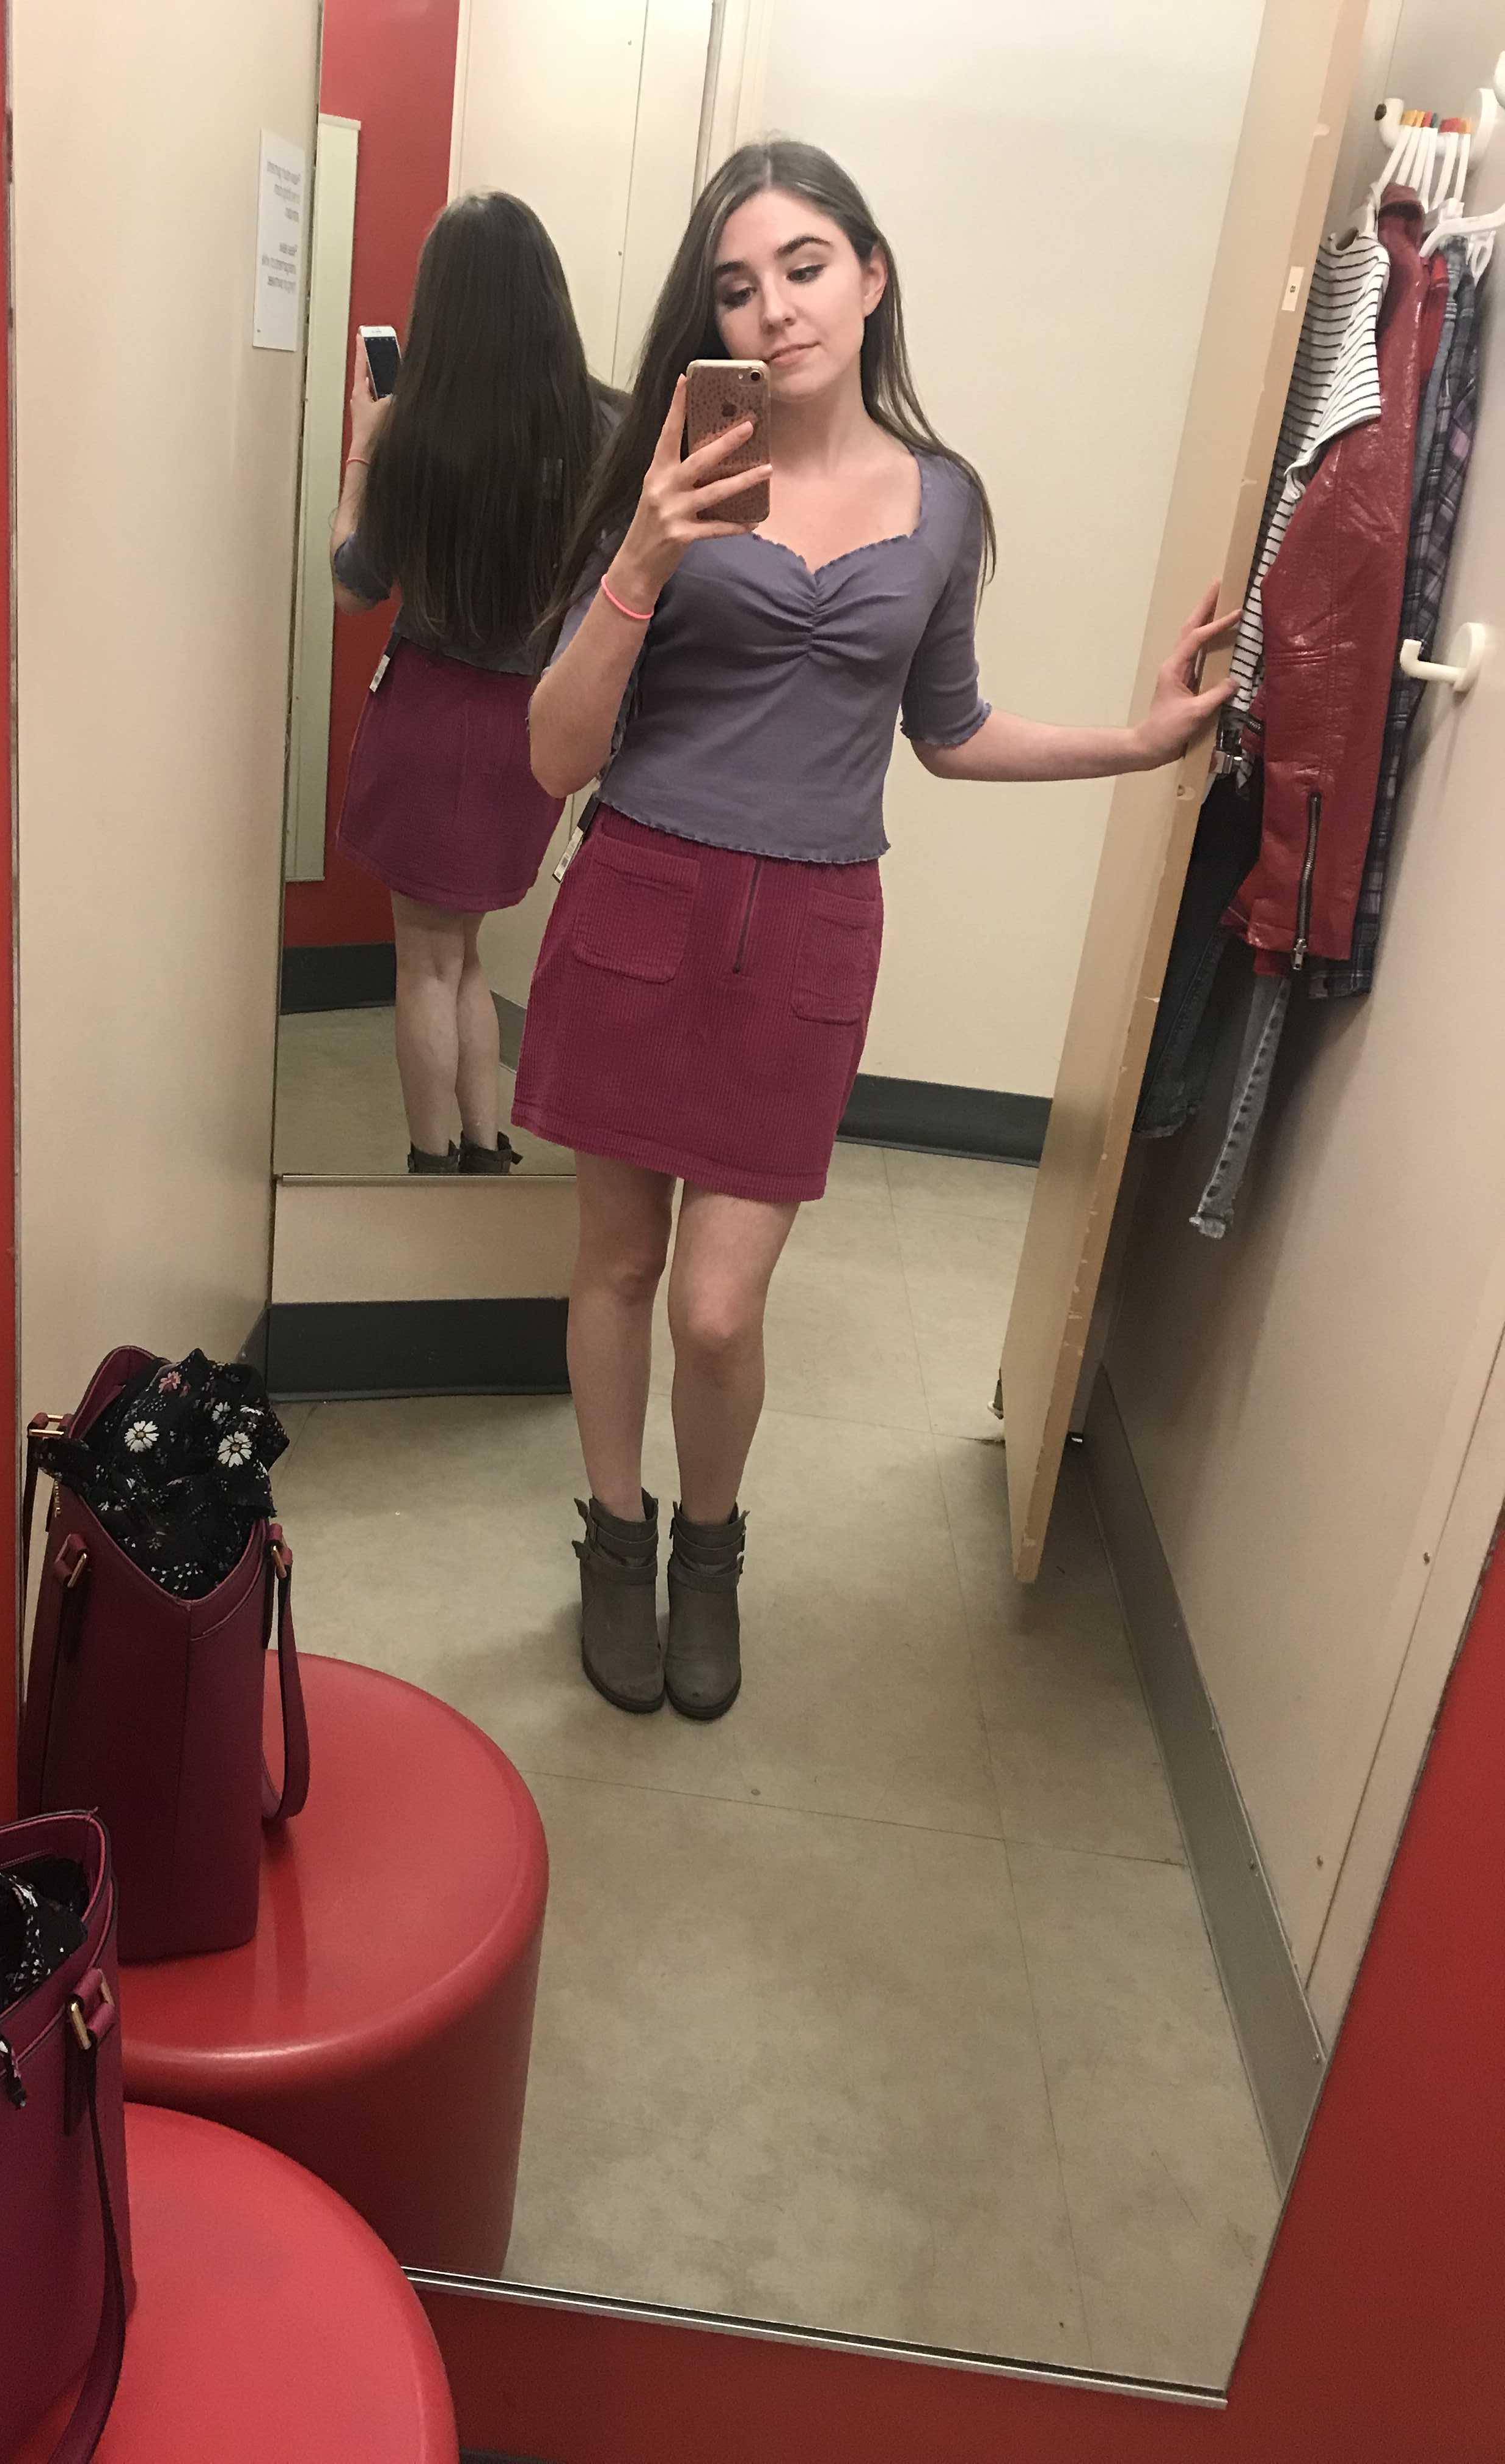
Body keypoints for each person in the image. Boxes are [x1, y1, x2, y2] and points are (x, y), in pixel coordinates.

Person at [516, 139, 1236, 1719]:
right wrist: (645, 550)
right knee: (620, 1264)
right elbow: (557, 756)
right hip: (639, 901)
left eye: (804, 267)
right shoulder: (668, 474)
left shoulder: (944, 498)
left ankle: (712, 1550)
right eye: (736, 286)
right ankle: (616, 1541)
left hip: (812, 931)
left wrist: (1135, 743)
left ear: (871, 276)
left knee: (720, 1308)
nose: (774, 309)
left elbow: (950, 729)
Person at [330, 191, 613, 1175]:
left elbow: (353, 584)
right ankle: (487, 1149)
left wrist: (364, 444)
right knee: (471, 954)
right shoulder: (605, 427)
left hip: (429, 717)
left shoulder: (417, 434)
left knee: (425, 962)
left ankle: (433, 1164)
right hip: (532, 731)